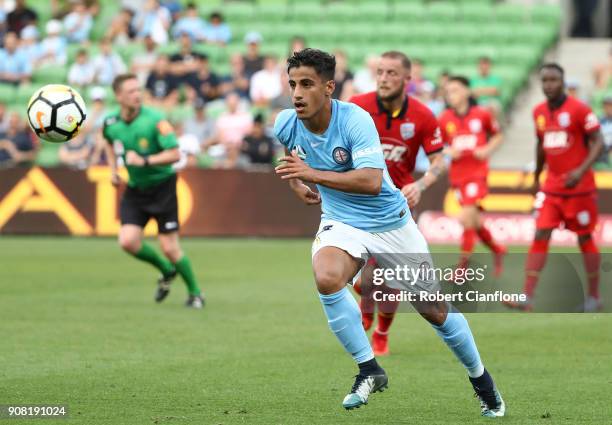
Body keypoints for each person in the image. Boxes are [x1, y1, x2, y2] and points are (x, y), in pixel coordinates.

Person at [274, 48, 505, 416]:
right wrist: (295, 184)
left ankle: (481, 379)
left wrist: (311, 175)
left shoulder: (355, 120)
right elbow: (291, 157)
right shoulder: (286, 122)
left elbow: (369, 181)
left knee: (433, 309)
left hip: (390, 222)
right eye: (292, 84)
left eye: (307, 84)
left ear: (329, 87)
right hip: (341, 221)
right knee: (327, 277)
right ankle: (369, 369)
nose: (297, 93)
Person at [349, 51, 447, 356]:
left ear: (408, 79)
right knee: (364, 280)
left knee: (391, 278)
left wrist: (421, 184)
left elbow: (438, 161)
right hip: (357, 204)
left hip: (397, 207)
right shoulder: (356, 108)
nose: (384, 78)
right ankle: (366, 304)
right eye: (380, 72)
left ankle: (381, 332)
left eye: (392, 73)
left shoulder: (423, 115)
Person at [504, 63, 604, 313]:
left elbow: (599, 142)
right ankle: (527, 296)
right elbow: (541, 145)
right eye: (545, 81)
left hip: (579, 188)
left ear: (563, 81)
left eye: (553, 80)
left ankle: (593, 296)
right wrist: (537, 178)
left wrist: (580, 171)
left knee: (584, 238)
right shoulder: (538, 112)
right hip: (551, 188)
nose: (549, 85)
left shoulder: (579, 109)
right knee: (540, 234)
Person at [102, 73, 204, 308]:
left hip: (162, 188)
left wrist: (145, 161)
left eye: (138, 90)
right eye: (130, 91)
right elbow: (107, 140)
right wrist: (113, 170)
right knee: (127, 241)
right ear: (118, 96)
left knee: (169, 247)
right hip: (136, 190)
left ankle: (195, 293)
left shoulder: (156, 120)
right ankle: (167, 271)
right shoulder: (110, 123)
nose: (137, 95)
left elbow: (175, 154)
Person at [438, 76, 506, 276]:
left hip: (477, 173)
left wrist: (487, 149)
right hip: (458, 175)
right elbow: (437, 145)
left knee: (466, 217)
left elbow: (498, 135)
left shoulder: (481, 115)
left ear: (467, 92)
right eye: (449, 91)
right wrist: (448, 151)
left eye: (456, 90)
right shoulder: (444, 119)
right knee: (474, 222)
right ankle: (498, 250)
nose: (452, 95)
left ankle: (461, 270)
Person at [595, 94, 612, 167]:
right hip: (602, 152)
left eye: (610, 105)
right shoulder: (598, 120)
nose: (608, 108)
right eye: (606, 105)